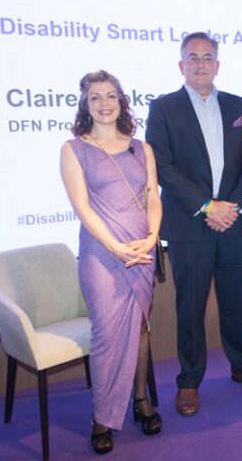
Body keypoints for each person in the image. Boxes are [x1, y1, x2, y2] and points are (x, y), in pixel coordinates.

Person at [145, 32, 242, 417]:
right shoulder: (163, 108)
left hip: (233, 220)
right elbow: (162, 166)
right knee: (190, 308)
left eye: (207, 57)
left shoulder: (239, 105)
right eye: (192, 57)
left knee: (236, 301)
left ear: (217, 64)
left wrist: (230, 206)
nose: (201, 64)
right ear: (181, 64)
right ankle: (189, 380)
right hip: (189, 226)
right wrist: (206, 206)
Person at [61, 70, 162, 454]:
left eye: (111, 96)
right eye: (95, 97)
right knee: (106, 336)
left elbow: (153, 197)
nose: (104, 104)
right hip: (102, 256)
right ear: (85, 105)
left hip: (142, 250)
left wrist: (152, 238)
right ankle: (102, 416)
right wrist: (117, 248)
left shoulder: (142, 148)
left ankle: (140, 399)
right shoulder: (74, 149)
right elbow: (81, 207)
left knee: (140, 330)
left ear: (121, 102)